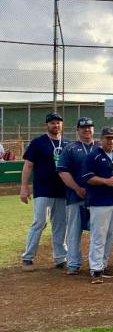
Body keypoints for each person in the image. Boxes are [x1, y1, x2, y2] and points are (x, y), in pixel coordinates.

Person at [20, 111, 68, 271]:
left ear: (62, 124)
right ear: (47, 125)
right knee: (39, 222)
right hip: (43, 190)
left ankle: (60, 258)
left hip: (62, 191)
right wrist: (24, 187)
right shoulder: (38, 142)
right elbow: (28, 165)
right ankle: (28, 257)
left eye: (58, 122)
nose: (56, 125)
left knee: (61, 224)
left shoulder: (67, 143)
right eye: (52, 122)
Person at [82, 127, 113, 284]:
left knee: (110, 235)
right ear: (101, 139)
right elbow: (87, 177)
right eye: (108, 138)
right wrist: (106, 181)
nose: (111, 141)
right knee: (98, 235)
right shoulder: (93, 156)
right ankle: (95, 269)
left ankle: (104, 264)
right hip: (99, 201)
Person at [56, 117, 96, 275]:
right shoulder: (70, 148)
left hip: (97, 199)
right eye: (83, 127)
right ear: (77, 130)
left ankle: (97, 263)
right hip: (75, 196)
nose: (87, 130)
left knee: (98, 232)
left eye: (90, 127)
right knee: (74, 230)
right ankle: (73, 263)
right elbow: (63, 171)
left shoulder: (99, 147)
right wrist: (77, 188)